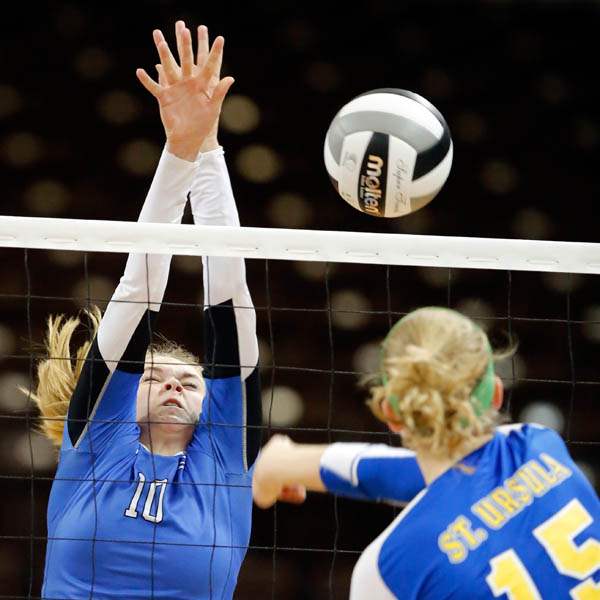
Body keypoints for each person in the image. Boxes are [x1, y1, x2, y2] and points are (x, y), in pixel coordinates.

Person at [27, 21, 261, 599]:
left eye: (191, 381)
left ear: (212, 408)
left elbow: (230, 298)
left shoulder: (224, 460)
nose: (176, 385)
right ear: (123, 396)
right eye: (155, 377)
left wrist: (206, 148)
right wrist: (182, 151)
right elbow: (138, 291)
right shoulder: (95, 447)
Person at [252, 307, 600, 599]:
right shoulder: (539, 444)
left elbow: (430, 480)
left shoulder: (389, 569)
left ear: (390, 414)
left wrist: (281, 463)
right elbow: (450, 478)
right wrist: (285, 464)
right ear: (496, 395)